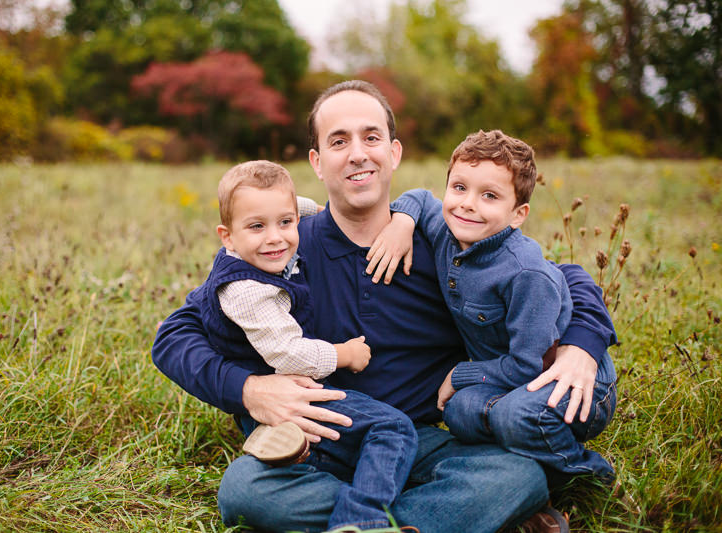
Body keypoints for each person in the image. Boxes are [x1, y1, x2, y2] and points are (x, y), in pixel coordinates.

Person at [152, 80, 617, 533]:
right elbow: (176, 335)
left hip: (427, 438)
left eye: (370, 137)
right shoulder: (282, 249)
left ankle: (368, 520)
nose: (357, 153)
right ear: (317, 162)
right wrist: (250, 390)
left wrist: (581, 343)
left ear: (393, 152)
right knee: (246, 492)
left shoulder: (445, 238)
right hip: (331, 434)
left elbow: (562, 277)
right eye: (339, 141)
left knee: (516, 476)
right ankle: (430, 517)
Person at [195, 159, 418, 531]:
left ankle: (336, 478)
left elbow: (297, 207)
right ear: (227, 236)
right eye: (256, 227)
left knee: (345, 450)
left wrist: (333, 212)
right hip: (285, 396)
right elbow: (289, 354)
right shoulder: (248, 290)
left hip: (292, 404)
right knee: (394, 430)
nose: (275, 238)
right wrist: (345, 354)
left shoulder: (268, 234)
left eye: (285, 222)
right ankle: (362, 521)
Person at [384, 129, 617, 481]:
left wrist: (460, 373)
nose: (467, 203)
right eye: (459, 187)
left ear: (518, 214)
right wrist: (401, 221)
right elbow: (419, 197)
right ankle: (523, 448)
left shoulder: (524, 273)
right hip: (507, 382)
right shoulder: (447, 228)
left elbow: (527, 366)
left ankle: (584, 473)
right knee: (458, 411)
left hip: (567, 378)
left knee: (517, 416)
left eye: (489, 196)